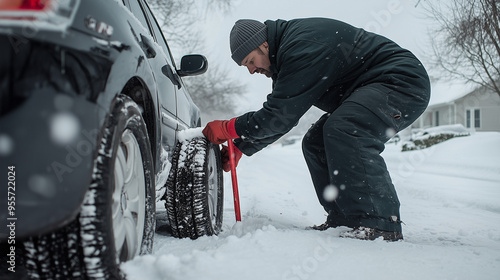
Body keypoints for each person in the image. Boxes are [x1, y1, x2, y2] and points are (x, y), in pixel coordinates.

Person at [202, 18, 430, 241]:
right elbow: (284, 115)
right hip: (368, 88)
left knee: (347, 128)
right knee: (315, 141)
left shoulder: (302, 47)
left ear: (263, 45)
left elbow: (279, 115)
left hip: (400, 82)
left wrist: (228, 128)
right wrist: (241, 146)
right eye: (246, 67)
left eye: (251, 61)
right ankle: (344, 218)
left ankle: (379, 222)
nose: (251, 70)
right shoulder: (285, 57)